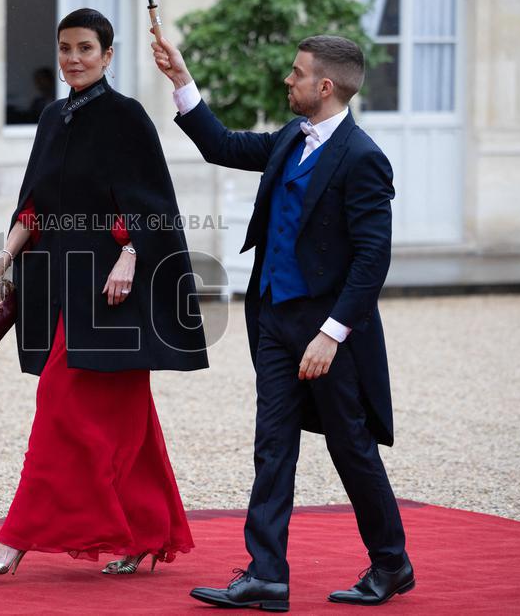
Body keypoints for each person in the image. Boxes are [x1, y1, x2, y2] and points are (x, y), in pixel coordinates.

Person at [151, 33, 413, 610]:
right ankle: (266, 572)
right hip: (273, 320)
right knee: (272, 445)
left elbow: (373, 259)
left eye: (297, 74)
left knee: (351, 448)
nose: (286, 81)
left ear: (325, 85)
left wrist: (332, 333)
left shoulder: (364, 158)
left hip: (330, 335)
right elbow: (220, 144)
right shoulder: (291, 138)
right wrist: (181, 80)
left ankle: (392, 563)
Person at [0, 8, 208, 577]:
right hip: (58, 284)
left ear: (107, 55)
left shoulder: (127, 117)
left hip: (112, 293)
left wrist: (129, 256)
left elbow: (151, 205)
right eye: (65, 49)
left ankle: (17, 536)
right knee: (129, 420)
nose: (73, 59)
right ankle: (144, 532)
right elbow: (35, 204)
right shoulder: (53, 117)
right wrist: (0, 264)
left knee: (59, 405)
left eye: (84, 49)